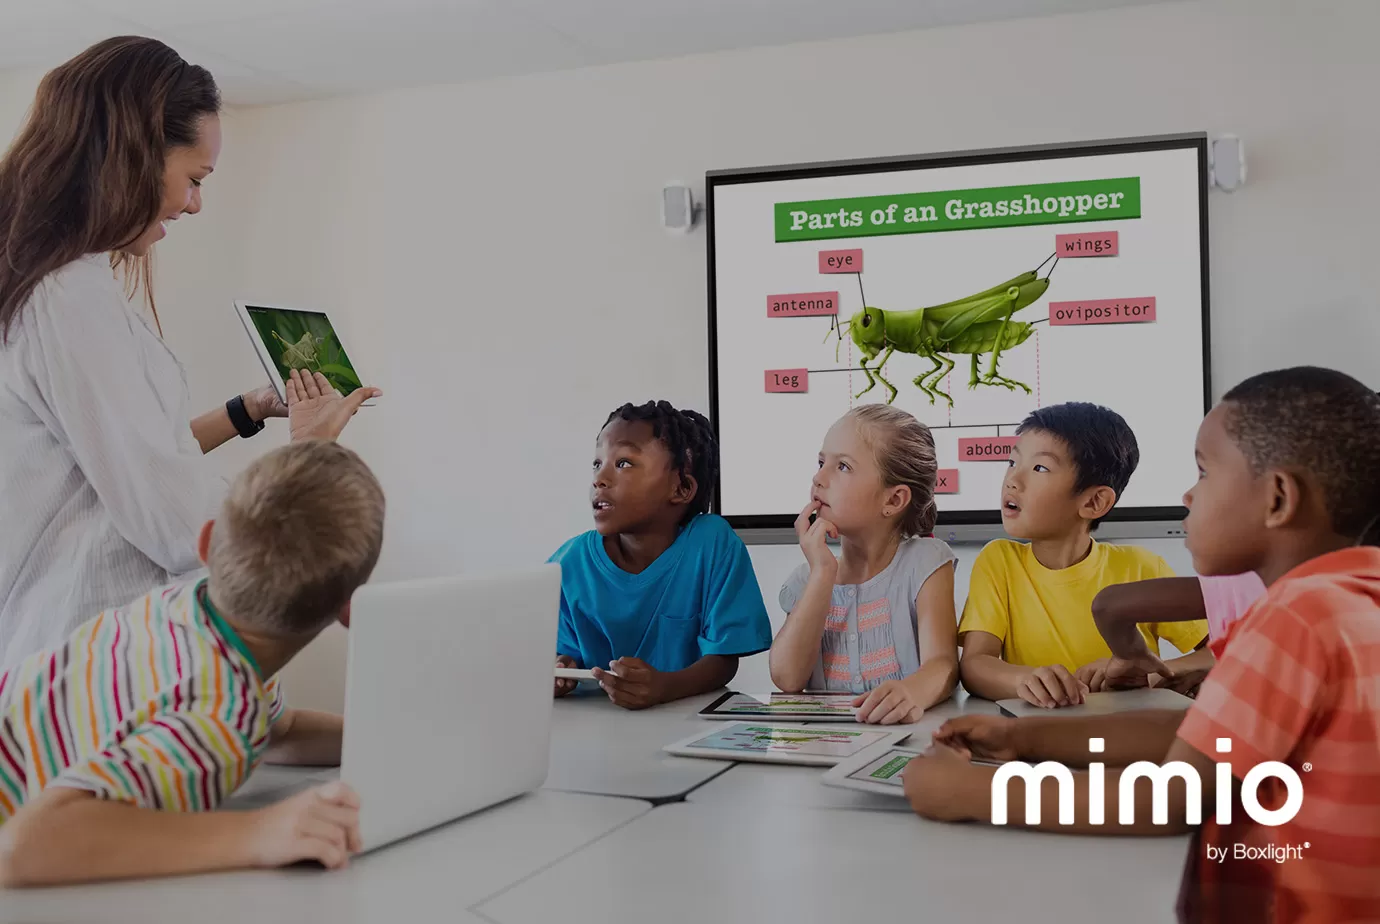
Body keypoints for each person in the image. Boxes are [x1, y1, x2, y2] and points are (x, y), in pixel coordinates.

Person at [905, 367, 1380, 922]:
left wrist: (973, 794)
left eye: (1203, 473)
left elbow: (1172, 796)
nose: (1187, 493)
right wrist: (1024, 737)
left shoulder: (1294, 617)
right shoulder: (1348, 600)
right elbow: (1204, 736)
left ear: (1277, 499)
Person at [0, 37, 381, 672]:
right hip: (89, 650)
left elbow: (126, 457)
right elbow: (177, 522)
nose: (196, 203)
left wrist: (250, 409)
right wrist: (311, 457)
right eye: (194, 179)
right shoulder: (70, 298)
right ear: (134, 155)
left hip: (79, 645)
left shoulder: (58, 286)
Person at [0, 440, 385, 887]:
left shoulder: (185, 610)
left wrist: (381, 736)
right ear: (351, 609)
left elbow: (279, 733)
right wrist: (261, 831)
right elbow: (24, 846)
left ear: (205, 544)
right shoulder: (221, 714)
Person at [956, 402, 1209, 708]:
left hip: (1128, 733)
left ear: (1094, 502)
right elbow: (974, 665)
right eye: (1012, 462)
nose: (1012, 480)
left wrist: (1151, 675)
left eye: (1039, 468)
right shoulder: (998, 560)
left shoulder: (1141, 566)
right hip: (1034, 736)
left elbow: (1225, 649)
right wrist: (1025, 681)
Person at [550, 401, 771, 709]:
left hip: (686, 726)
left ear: (680, 489)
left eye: (624, 463)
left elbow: (723, 660)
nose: (599, 479)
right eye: (597, 463)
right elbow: (559, 655)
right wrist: (560, 671)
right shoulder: (568, 564)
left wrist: (665, 687)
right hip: (594, 731)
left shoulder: (712, 544)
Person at [771, 405, 958, 724]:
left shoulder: (925, 563)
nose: (818, 478)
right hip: (825, 750)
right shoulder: (808, 578)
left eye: (842, 466)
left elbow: (943, 665)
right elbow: (788, 679)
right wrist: (823, 574)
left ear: (893, 500)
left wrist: (911, 692)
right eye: (821, 462)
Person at [1087, 572, 1265, 695]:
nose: (1184, 523)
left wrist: (1131, 657)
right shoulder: (1262, 586)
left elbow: (1108, 605)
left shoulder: (1245, 586)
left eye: (1196, 514)